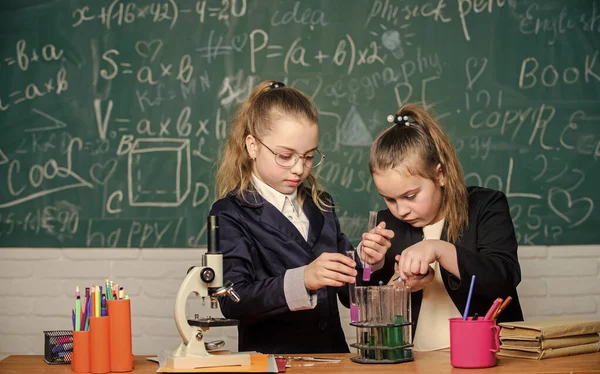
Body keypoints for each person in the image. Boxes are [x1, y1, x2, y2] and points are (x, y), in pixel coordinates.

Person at [210, 80, 394, 354]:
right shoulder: (231, 213)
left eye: (308, 156)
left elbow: (347, 294)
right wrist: (303, 279)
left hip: (334, 359)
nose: (299, 168)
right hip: (275, 362)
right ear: (252, 146)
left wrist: (367, 262)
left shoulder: (321, 205)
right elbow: (233, 302)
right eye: (285, 155)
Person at [362, 103, 524, 352]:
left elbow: (504, 279)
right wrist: (381, 273)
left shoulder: (486, 206)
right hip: (411, 363)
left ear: (441, 174)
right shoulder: (387, 224)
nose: (401, 210)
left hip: (486, 358)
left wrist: (439, 249)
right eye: (389, 199)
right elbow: (356, 302)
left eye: (411, 195)